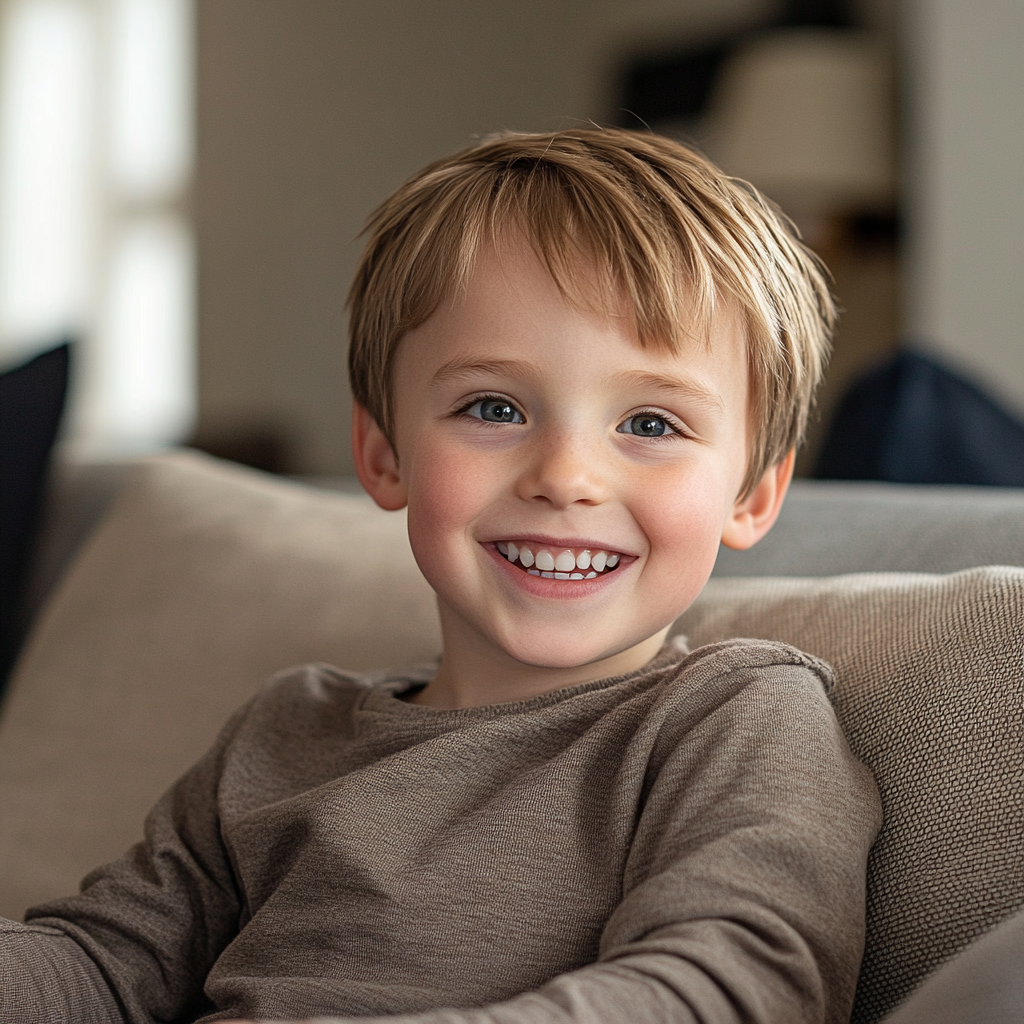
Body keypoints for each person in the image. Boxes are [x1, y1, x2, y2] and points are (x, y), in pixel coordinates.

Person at [0, 129, 880, 1024]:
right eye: (493, 408)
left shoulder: (734, 718)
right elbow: (105, 963)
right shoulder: (284, 732)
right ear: (383, 455)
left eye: (651, 423)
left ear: (755, 491)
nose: (566, 475)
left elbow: (731, 989)